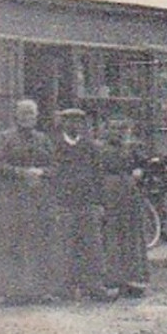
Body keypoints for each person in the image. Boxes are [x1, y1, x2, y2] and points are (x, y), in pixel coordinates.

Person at [0, 98, 56, 304]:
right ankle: (11, 292)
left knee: (39, 242)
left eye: (31, 114)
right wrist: (21, 172)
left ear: (36, 117)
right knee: (13, 243)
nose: (27, 117)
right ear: (16, 116)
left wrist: (42, 172)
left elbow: (55, 167)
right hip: (13, 199)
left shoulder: (43, 139)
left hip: (38, 199)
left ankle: (39, 290)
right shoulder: (5, 138)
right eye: (23, 113)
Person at [53, 108, 118, 302]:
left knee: (93, 246)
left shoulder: (91, 147)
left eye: (78, 121)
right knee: (65, 246)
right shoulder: (55, 145)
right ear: (63, 123)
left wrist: (99, 203)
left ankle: (95, 287)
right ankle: (66, 288)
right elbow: (52, 176)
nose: (74, 125)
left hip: (88, 203)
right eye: (70, 121)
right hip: (64, 204)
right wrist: (55, 203)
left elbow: (98, 177)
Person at [99, 119, 151, 298]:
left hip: (129, 196)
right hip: (109, 195)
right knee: (111, 237)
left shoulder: (133, 149)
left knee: (131, 236)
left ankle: (134, 280)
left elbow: (147, 166)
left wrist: (140, 172)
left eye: (122, 129)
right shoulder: (100, 149)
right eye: (113, 128)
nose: (118, 132)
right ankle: (112, 280)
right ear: (106, 130)